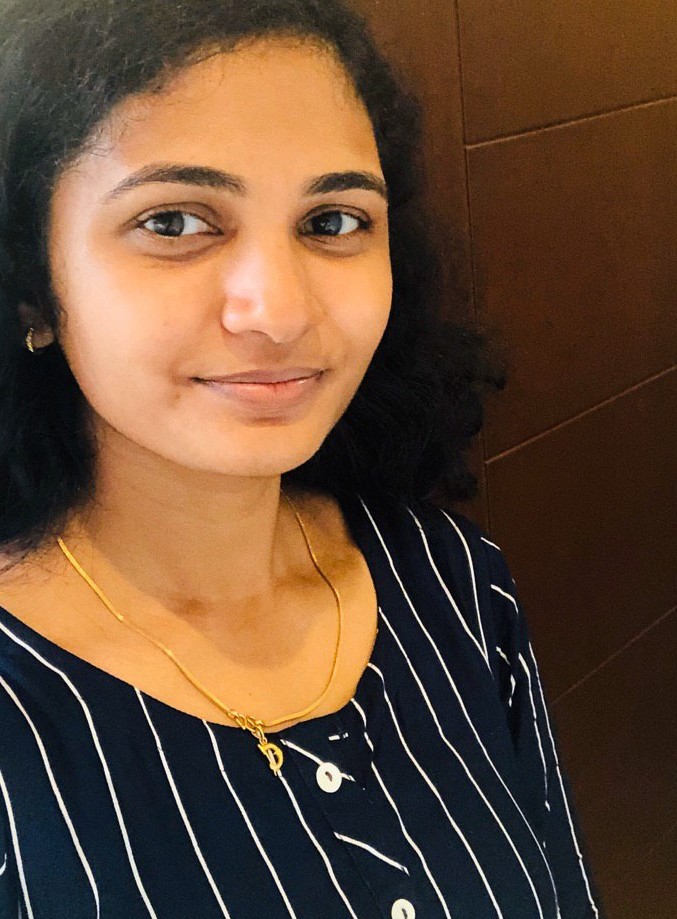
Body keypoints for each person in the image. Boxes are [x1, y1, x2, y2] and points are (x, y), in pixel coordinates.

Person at [0, 0, 604, 916]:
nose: (279, 312)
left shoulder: (453, 582)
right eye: (174, 222)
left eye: (331, 221)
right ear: (31, 290)